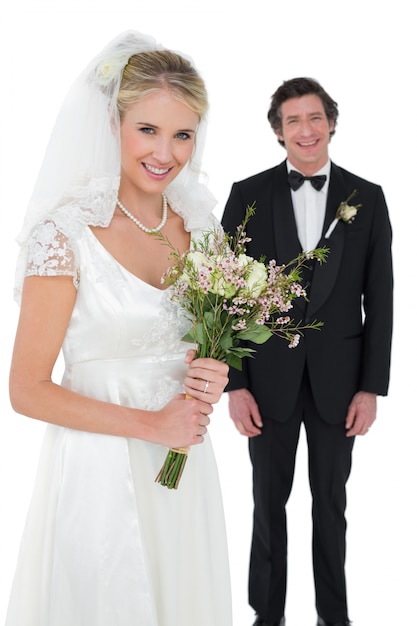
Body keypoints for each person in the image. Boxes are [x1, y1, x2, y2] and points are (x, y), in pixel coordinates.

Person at [5, 31, 232, 626]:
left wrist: (213, 371)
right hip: (97, 477)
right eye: (148, 130)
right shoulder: (66, 233)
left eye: (182, 134)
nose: (166, 152)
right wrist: (152, 424)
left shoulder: (203, 230)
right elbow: (26, 389)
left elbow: (201, 342)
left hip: (183, 476)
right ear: (113, 123)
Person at [221, 77, 393, 626]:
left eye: (315, 117)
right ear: (278, 132)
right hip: (265, 383)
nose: (306, 130)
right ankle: (265, 617)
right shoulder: (247, 195)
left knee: (332, 509)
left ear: (332, 122)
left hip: (340, 384)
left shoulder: (367, 197)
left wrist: (371, 387)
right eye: (293, 120)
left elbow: (381, 300)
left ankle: (333, 618)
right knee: (267, 507)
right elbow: (226, 296)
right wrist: (235, 384)